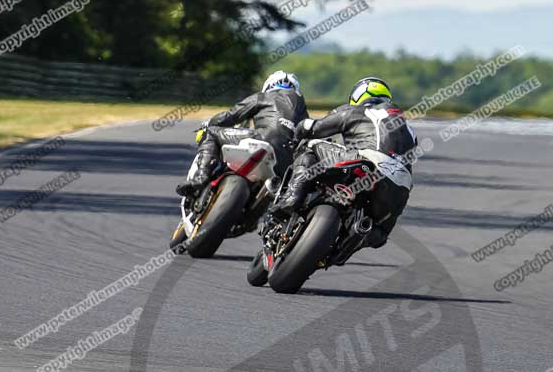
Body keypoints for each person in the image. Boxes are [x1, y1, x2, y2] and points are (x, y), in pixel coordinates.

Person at [268, 76, 417, 249]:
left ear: (358, 96)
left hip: (367, 161)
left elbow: (313, 127)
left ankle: (292, 196)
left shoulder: (357, 110)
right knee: (378, 234)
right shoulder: (408, 128)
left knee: (311, 145)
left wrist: (297, 133)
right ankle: (349, 242)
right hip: (401, 185)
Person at [175, 70, 308, 198]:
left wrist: (208, 123)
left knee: (211, 133)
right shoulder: (301, 106)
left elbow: (231, 116)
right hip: (288, 160)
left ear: (269, 85)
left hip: (262, 138)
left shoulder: (264, 96)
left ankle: (200, 178)